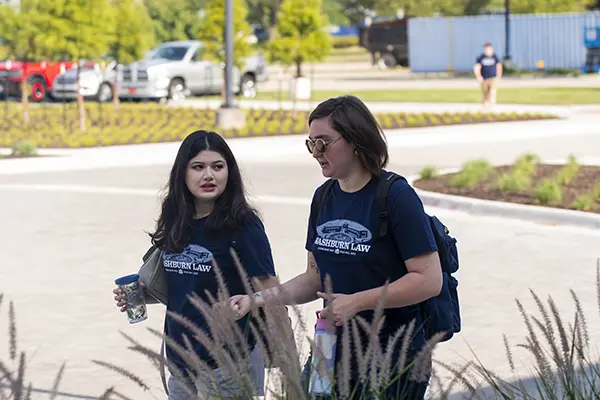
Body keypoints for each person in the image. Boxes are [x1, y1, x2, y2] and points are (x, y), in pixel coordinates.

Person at [229, 95, 443, 399]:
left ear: (355, 139)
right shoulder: (324, 197)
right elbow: (313, 278)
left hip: (392, 357)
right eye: (310, 143)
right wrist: (257, 299)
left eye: (324, 142)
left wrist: (357, 302)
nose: (316, 152)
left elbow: (429, 280)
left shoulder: (395, 196)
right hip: (329, 349)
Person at [113, 130, 278, 400]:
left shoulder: (243, 225)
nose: (208, 175)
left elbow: (271, 289)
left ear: (229, 172)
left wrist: (246, 304)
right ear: (183, 173)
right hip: (180, 361)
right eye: (198, 167)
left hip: (227, 363)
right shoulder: (176, 218)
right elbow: (183, 287)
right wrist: (141, 296)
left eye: (218, 166)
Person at [474, 42, 503, 108]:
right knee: (485, 92)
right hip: (484, 78)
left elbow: (499, 65)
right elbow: (477, 66)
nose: (488, 50)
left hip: (493, 77)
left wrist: (499, 75)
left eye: (489, 49)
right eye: (486, 49)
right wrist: (478, 76)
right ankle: (485, 104)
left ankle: (492, 104)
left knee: (492, 91)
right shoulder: (482, 57)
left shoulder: (494, 57)